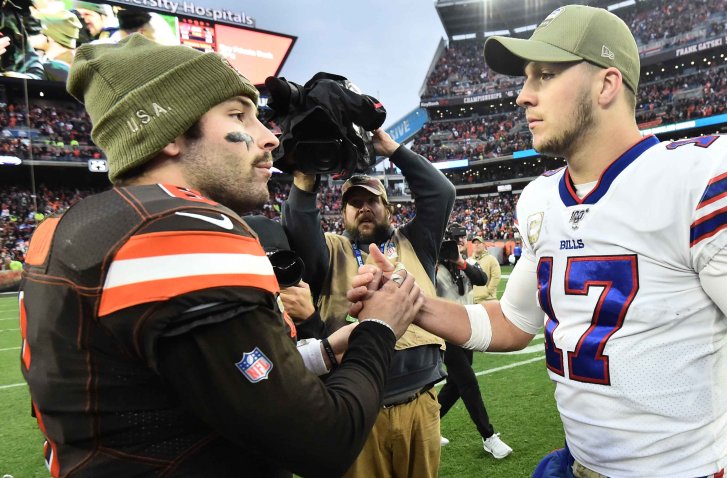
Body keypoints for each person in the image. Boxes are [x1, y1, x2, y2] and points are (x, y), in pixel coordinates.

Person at [349, 5, 727, 477]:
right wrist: (410, 303)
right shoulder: (542, 199)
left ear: (608, 83)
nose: (523, 94)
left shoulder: (697, 180)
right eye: (526, 79)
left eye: (544, 75)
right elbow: (513, 322)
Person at [18, 34, 424, 477]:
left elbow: (193, 388)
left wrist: (327, 349)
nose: (270, 137)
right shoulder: (183, 230)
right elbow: (325, 442)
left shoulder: (68, 228)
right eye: (238, 115)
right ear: (170, 132)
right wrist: (379, 329)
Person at [284, 140, 455, 477]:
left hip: (419, 399)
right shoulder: (331, 250)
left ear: (388, 209)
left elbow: (441, 193)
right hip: (358, 406)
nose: (363, 208)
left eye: (372, 201)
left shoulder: (416, 241)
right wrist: (305, 180)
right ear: (343, 212)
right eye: (354, 203)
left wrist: (391, 148)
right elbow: (301, 230)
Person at [435, 224, 513, 459]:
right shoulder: (434, 268)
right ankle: (489, 437)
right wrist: (440, 260)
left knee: (455, 386)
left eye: (461, 239)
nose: (459, 243)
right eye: (454, 240)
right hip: (446, 334)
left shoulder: (466, 264)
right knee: (468, 382)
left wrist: (460, 262)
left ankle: (428, 426)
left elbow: (480, 278)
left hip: (467, 332)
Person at [29, 10, 81, 81]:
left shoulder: (51, 68)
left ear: (50, 37)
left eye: (35, 30)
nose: (29, 35)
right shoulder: (78, 63)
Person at [471, 236, 500, 304]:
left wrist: (487, 291)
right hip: (473, 300)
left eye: (479, 242)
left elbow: (496, 277)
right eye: (474, 243)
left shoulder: (491, 259)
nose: (476, 244)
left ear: (484, 245)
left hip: (488, 300)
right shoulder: (470, 260)